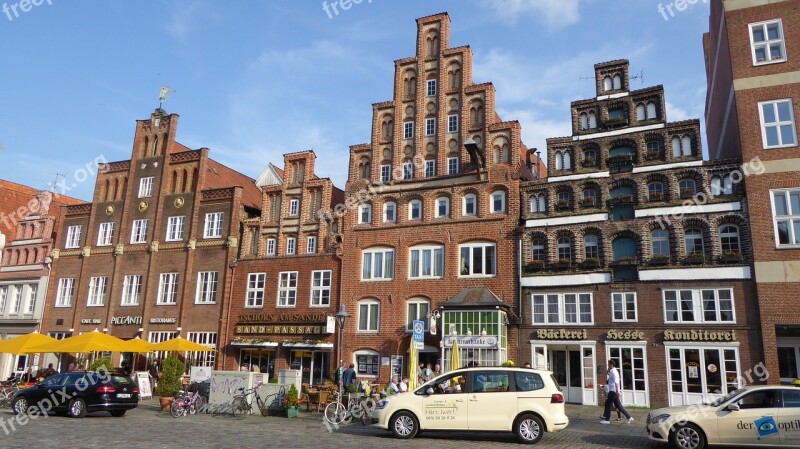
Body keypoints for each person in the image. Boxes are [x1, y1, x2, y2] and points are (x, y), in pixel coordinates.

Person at [600, 359, 633, 424]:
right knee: (618, 406)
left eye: (608, 364)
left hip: (613, 391)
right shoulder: (613, 371)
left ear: (611, 365)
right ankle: (629, 417)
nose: (608, 365)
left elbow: (616, 382)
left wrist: (618, 392)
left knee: (607, 403)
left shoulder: (614, 372)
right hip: (613, 391)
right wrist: (608, 371)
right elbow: (610, 377)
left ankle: (607, 420)